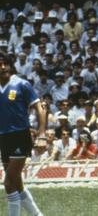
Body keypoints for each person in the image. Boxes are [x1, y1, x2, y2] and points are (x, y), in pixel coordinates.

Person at [0, 52, 46, 216]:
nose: (3, 67)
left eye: (5, 63)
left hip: (20, 136)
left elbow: (40, 108)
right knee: (17, 183)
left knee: (8, 182)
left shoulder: (22, 84)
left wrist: (41, 135)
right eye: (0, 64)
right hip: (3, 138)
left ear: (10, 65)